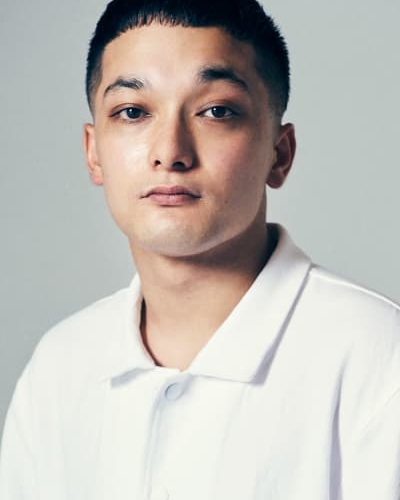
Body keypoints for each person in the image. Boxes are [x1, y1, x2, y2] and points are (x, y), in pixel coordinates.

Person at [1, 0, 399, 498]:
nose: (170, 152)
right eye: (132, 112)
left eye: (216, 111)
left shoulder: (380, 361)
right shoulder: (59, 367)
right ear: (93, 151)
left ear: (280, 154)